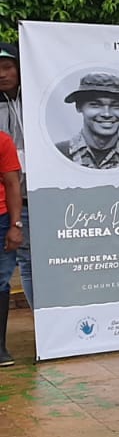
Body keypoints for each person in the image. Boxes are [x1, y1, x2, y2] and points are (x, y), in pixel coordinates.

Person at [0, 44, 33, 308]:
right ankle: (41, 322)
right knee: (26, 260)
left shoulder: (37, 100)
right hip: (13, 201)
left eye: (8, 67)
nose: (2, 74)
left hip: (45, 195)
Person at [56, 72, 119, 168]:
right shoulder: (56, 154)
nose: (106, 114)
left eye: (116, 106)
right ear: (79, 107)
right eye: (95, 105)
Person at [0, 126, 22, 365]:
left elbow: (12, 183)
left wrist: (16, 225)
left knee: (1, 280)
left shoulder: (2, 141)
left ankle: (0, 348)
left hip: (1, 219)